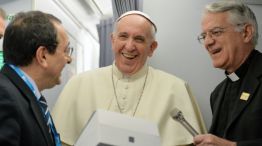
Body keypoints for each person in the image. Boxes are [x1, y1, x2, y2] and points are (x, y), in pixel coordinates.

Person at [52, 10, 206, 146]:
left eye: (139, 39)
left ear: (152, 48)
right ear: (113, 41)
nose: (129, 46)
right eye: (123, 36)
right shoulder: (79, 83)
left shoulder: (176, 88)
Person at [194, 0, 262, 146]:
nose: (207, 42)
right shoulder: (217, 94)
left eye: (216, 32)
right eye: (204, 35)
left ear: (246, 33)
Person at [0, 10, 73, 146]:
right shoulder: (4, 96)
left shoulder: (30, 97)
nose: (69, 59)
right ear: (43, 56)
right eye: (66, 51)